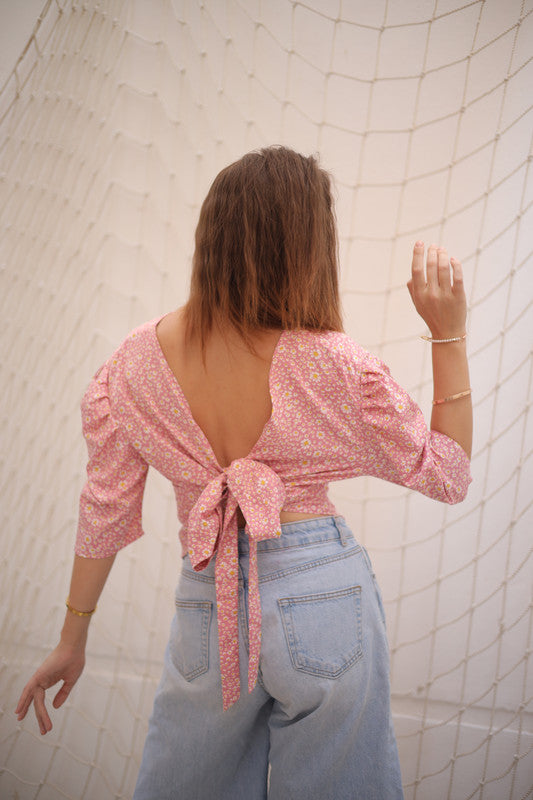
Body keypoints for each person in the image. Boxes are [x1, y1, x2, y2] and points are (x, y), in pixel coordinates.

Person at [15, 145, 472, 799]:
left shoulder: (133, 364)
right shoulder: (331, 363)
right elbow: (447, 474)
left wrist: (71, 637)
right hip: (321, 591)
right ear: (306, 246)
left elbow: (105, 507)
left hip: (208, 600)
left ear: (213, 236)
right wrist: (447, 334)